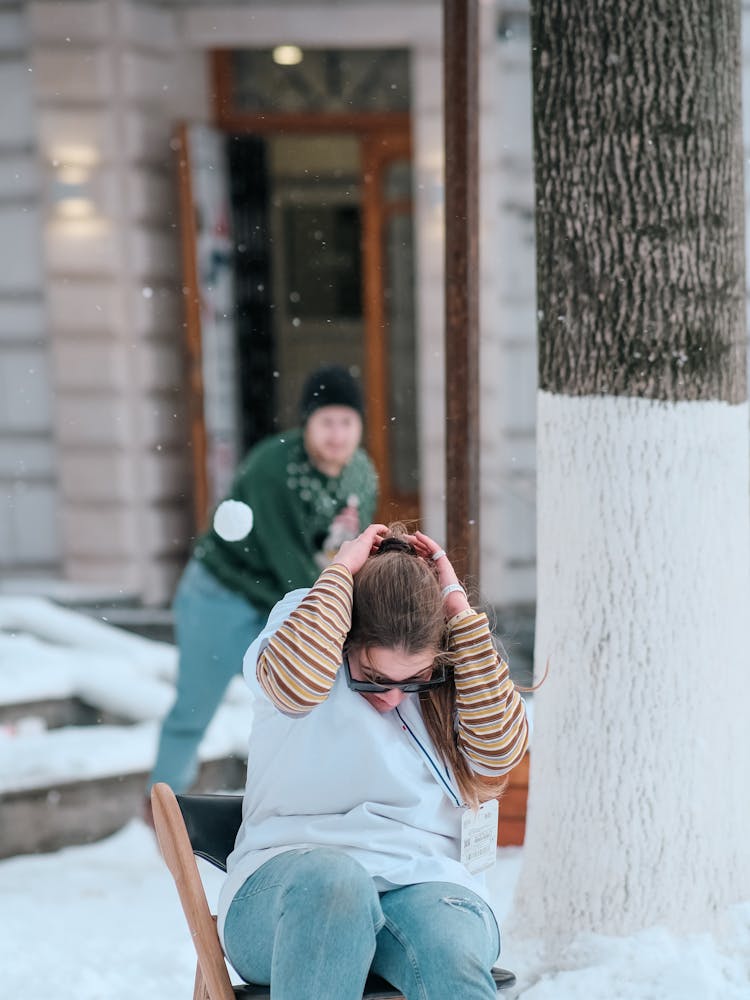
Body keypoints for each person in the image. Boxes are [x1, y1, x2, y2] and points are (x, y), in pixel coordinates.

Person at [217, 522, 530, 999]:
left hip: (426, 883)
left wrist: (457, 612)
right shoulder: (301, 624)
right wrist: (343, 572)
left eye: (414, 681)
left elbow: (499, 754)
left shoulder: (454, 661)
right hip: (292, 887)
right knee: (337, 884)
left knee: (447, 943)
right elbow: (293, 685)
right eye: (371, 678)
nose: (391, 697)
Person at [145, 365, 378, 804]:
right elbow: (290, 563)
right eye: (325, 421)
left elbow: (358, 548)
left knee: (302, 704)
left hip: (292, 595)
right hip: (222, 595)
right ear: (306, 424)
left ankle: (302, 804)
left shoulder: (361, 474)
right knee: (194, 709)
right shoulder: (273, 470)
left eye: (347, 422)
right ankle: (163, 808)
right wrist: (347, 621)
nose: (337, 434)